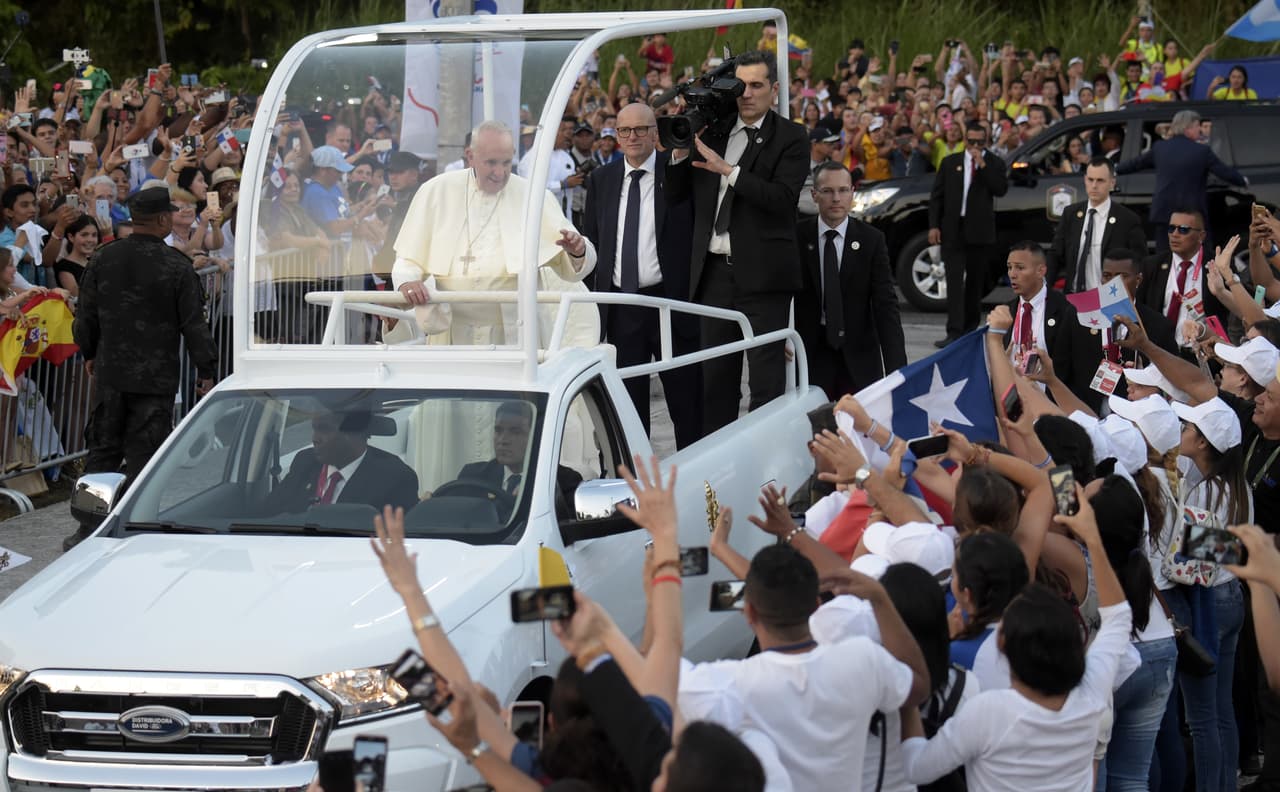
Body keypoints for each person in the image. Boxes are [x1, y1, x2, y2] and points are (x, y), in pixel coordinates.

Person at [900, 488, 1135, 792]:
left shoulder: (988, 711)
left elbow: (917, 767)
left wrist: (905, 687)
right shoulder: (1091, 692)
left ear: (1002, 645)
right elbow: (1117, 616)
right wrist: (1091, 538)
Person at [665, 50, 809, 434]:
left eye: (757, 85)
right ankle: (719, 476)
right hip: (713, 275)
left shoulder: (791, 137)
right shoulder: (712, 130)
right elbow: (676, 196)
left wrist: (729, 170)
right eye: (741, 85)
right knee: (715, 383)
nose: (747, 94)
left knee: (765, 383)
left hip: (763, 278)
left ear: (775, 90)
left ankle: (764, 471)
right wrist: (680, 151)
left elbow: (781, 200)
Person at [69, 187, 218, 549]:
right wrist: (207, 370)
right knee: (145, 455)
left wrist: (89, 353)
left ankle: (90, 527)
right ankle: (137, 526)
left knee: (102, 453)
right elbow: (193, 325)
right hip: (155, 378)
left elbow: (84, 317)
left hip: (110, 374)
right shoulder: (176, 265)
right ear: (164, 219)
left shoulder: (103, 259)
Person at [392, 120, 598, 347]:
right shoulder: (436, 191)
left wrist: (578, 251)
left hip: (514, 329)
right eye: (490, 163)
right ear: (470, 156)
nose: (499, 173)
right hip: (452, 330)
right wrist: (406, 281)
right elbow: (408, 257)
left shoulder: (533, 195)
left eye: (506, 163)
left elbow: (574, 265)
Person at [581, 102, 702, 449]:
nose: (632, 137)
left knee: (686, 401)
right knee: (626, 410)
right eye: (624, 130)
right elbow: (594, 244)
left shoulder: (678, 171)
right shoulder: (601, 179)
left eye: (640, 129)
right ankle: (634, 490)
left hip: (670, 303)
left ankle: (695, 486)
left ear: (655, 133)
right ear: (616, 136)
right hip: (621, 308)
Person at [794, 161, 905, 399]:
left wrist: (898, 371)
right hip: (810, 355)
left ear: (852, 193)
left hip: (859, 357)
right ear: (814, 195)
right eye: (828, 191)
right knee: (813, 431)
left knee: (858, 431)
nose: (836, 198)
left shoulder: (872, 240)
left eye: (843, 190)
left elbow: (886, 306)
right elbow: (784, 294)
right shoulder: (798, 238)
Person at [1117, 110, 1247, 251]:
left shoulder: (1160, 148)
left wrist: (1112, 169)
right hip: (1192, 215)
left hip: (1164, 214)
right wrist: (1243, 180)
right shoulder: (1201, 151)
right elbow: (1224, 172)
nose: (1200, 130)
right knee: (1200, 255)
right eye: (1198, 125)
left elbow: (1135, 164)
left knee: (1165, 257)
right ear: (1189, 127)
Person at [928, 121, 1008, 348]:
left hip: (979, 231)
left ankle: (970, 329)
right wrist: (934, 225)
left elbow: (1000, 189)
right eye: (971, 141)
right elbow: (937, 197)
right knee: (953, 281)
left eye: (979, 142)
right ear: (965, 140)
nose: (974, 146)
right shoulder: (950, 162)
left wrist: (982, 165)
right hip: (954, 228)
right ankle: (953, 331)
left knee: (975, 281)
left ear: (986, 142)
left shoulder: (994, 163)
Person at [1000, 241, 1102, 410]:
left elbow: (1082, 369)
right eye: (1009, 267)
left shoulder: (1067, 311)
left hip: (1053, 406)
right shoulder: (1006, 312)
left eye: (1020, 267)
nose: (1012, 274)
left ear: (1041, 271)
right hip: (1013, 403)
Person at [262, 409, 419, 515]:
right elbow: (269, 514)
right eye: (314, 429)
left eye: (324, 429)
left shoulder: (395, 476)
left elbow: (400, 539)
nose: (315, 438)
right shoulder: (305, 461)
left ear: (355, 434)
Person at [451, 401, 583, 519]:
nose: (503, 440)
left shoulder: (563, 482)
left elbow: (568, 531)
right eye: (498, 430)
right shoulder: (473, 476)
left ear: (537, 436)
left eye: (515, 432)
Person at [1047, 157, 1146, 292]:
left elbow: (1140, 263)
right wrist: (1043, 292)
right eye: (1090, 179)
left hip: (1109, 298)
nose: (1094, 185)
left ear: (1112, 183)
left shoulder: (1127, 220)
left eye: (1100, 180)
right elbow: (1055, 255)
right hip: (1074, 298)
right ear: (1085, 180)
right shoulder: (1071, 214)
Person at [1136, 208, 1228, 354]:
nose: (1175, 235)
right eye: (1171, 228)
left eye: (1183, 230)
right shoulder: (1152, 265)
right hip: (1160, 353)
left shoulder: (1217, 266)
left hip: (1200, 353)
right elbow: (1139, 308)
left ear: (1201, 236)